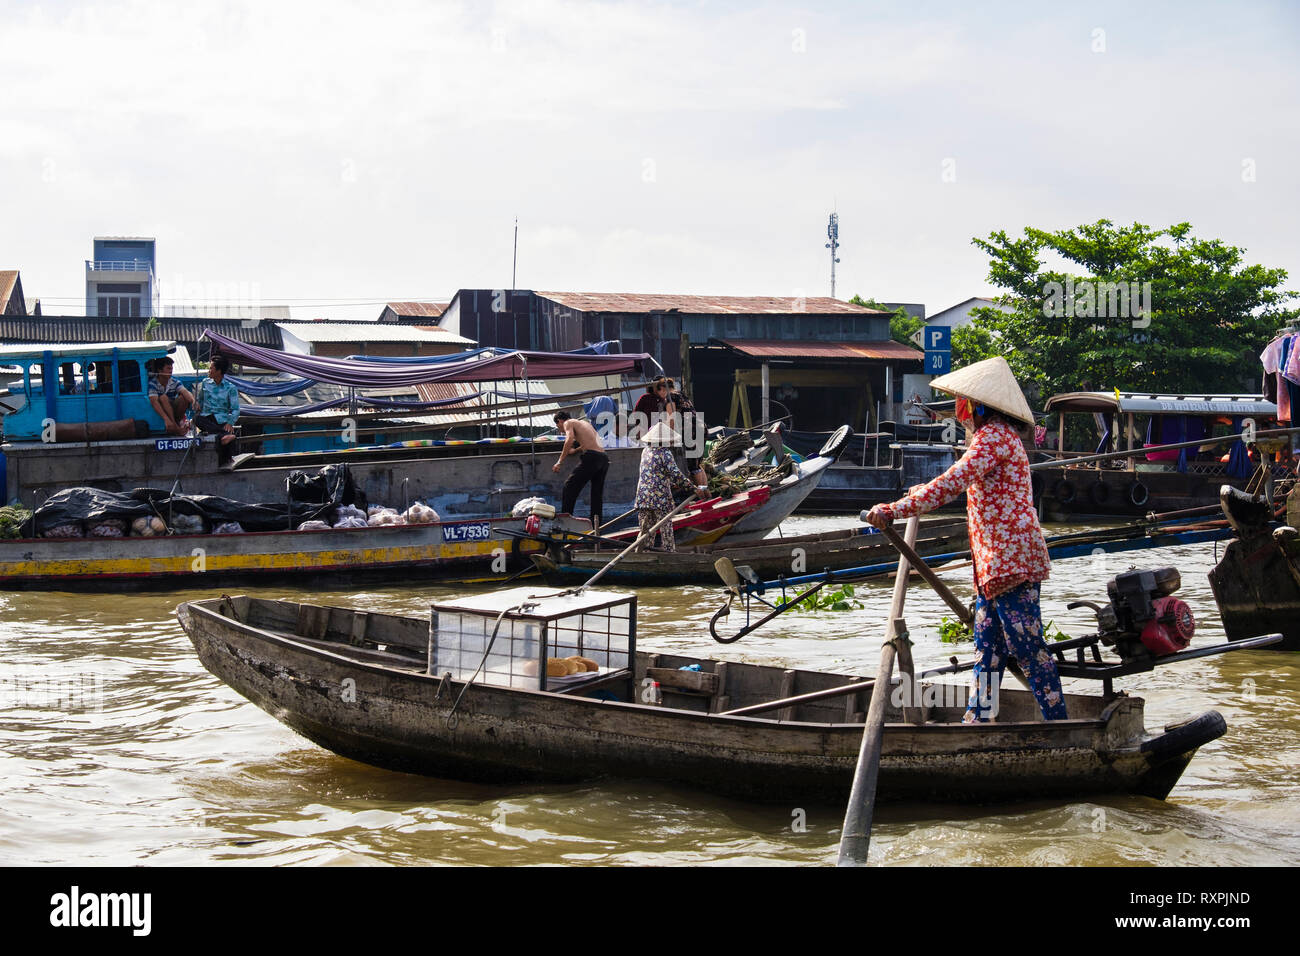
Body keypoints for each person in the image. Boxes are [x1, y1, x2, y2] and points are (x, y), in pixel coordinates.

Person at [864, 356, 1066, 724]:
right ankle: (977, 721)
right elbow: (955, 480)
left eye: (962, 402)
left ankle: (1061, 724)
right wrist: (916, 494)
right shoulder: (994, 438)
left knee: (1027, 648)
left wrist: (895, 509)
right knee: (987, 650)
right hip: (993, 565)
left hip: (1011, 561)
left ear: (975, 406)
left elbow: (953, 483)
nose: (958, 410)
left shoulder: (994, 438)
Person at [634, 421, 704, 552]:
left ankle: (644, 552)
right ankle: (669, 552)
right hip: (660, 499)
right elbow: (676, 475)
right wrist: (694, 489)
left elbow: (655, 474)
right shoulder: (664, 453)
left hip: (643, 497)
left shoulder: (645, 451)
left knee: (646, 530)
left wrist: (671, 484)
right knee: (666, 529)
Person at [552, 411, 609, 531]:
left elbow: (569, 440)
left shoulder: (568, 422)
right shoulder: (584, 423)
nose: (560, 429)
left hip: (592, 458)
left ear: (560, 421)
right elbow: (589, 442)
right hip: (603, 458)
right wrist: (575, 451)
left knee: (569, 487)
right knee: (596, 495)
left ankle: (565, 524)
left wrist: (559, 462)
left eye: (558, 426)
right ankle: (596, 527)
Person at [194, 355, 240, 463]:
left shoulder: (230, 388)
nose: (208, 371)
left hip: (221, 420)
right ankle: (224, 435)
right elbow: (199, 401)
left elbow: (235, 409)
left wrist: (230, 422)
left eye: (211, 368)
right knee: (197, 419)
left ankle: (226, 449)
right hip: (207, 419)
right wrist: (196, 405)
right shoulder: (205, 383)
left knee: (224, 435)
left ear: (219, 371)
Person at [147, 356, 195, 436]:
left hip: (173, 410)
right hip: (163, 413)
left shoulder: (175, 381)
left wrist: (193, 401)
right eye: (168, 369)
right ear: (160, 370)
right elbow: (154, 402)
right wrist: (166, 419)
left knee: (183, 398)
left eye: (171, 369)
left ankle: (175, 425)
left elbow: (185, 391)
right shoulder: (153, 383)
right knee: (163, 398)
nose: (171, 371)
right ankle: (175, 427)